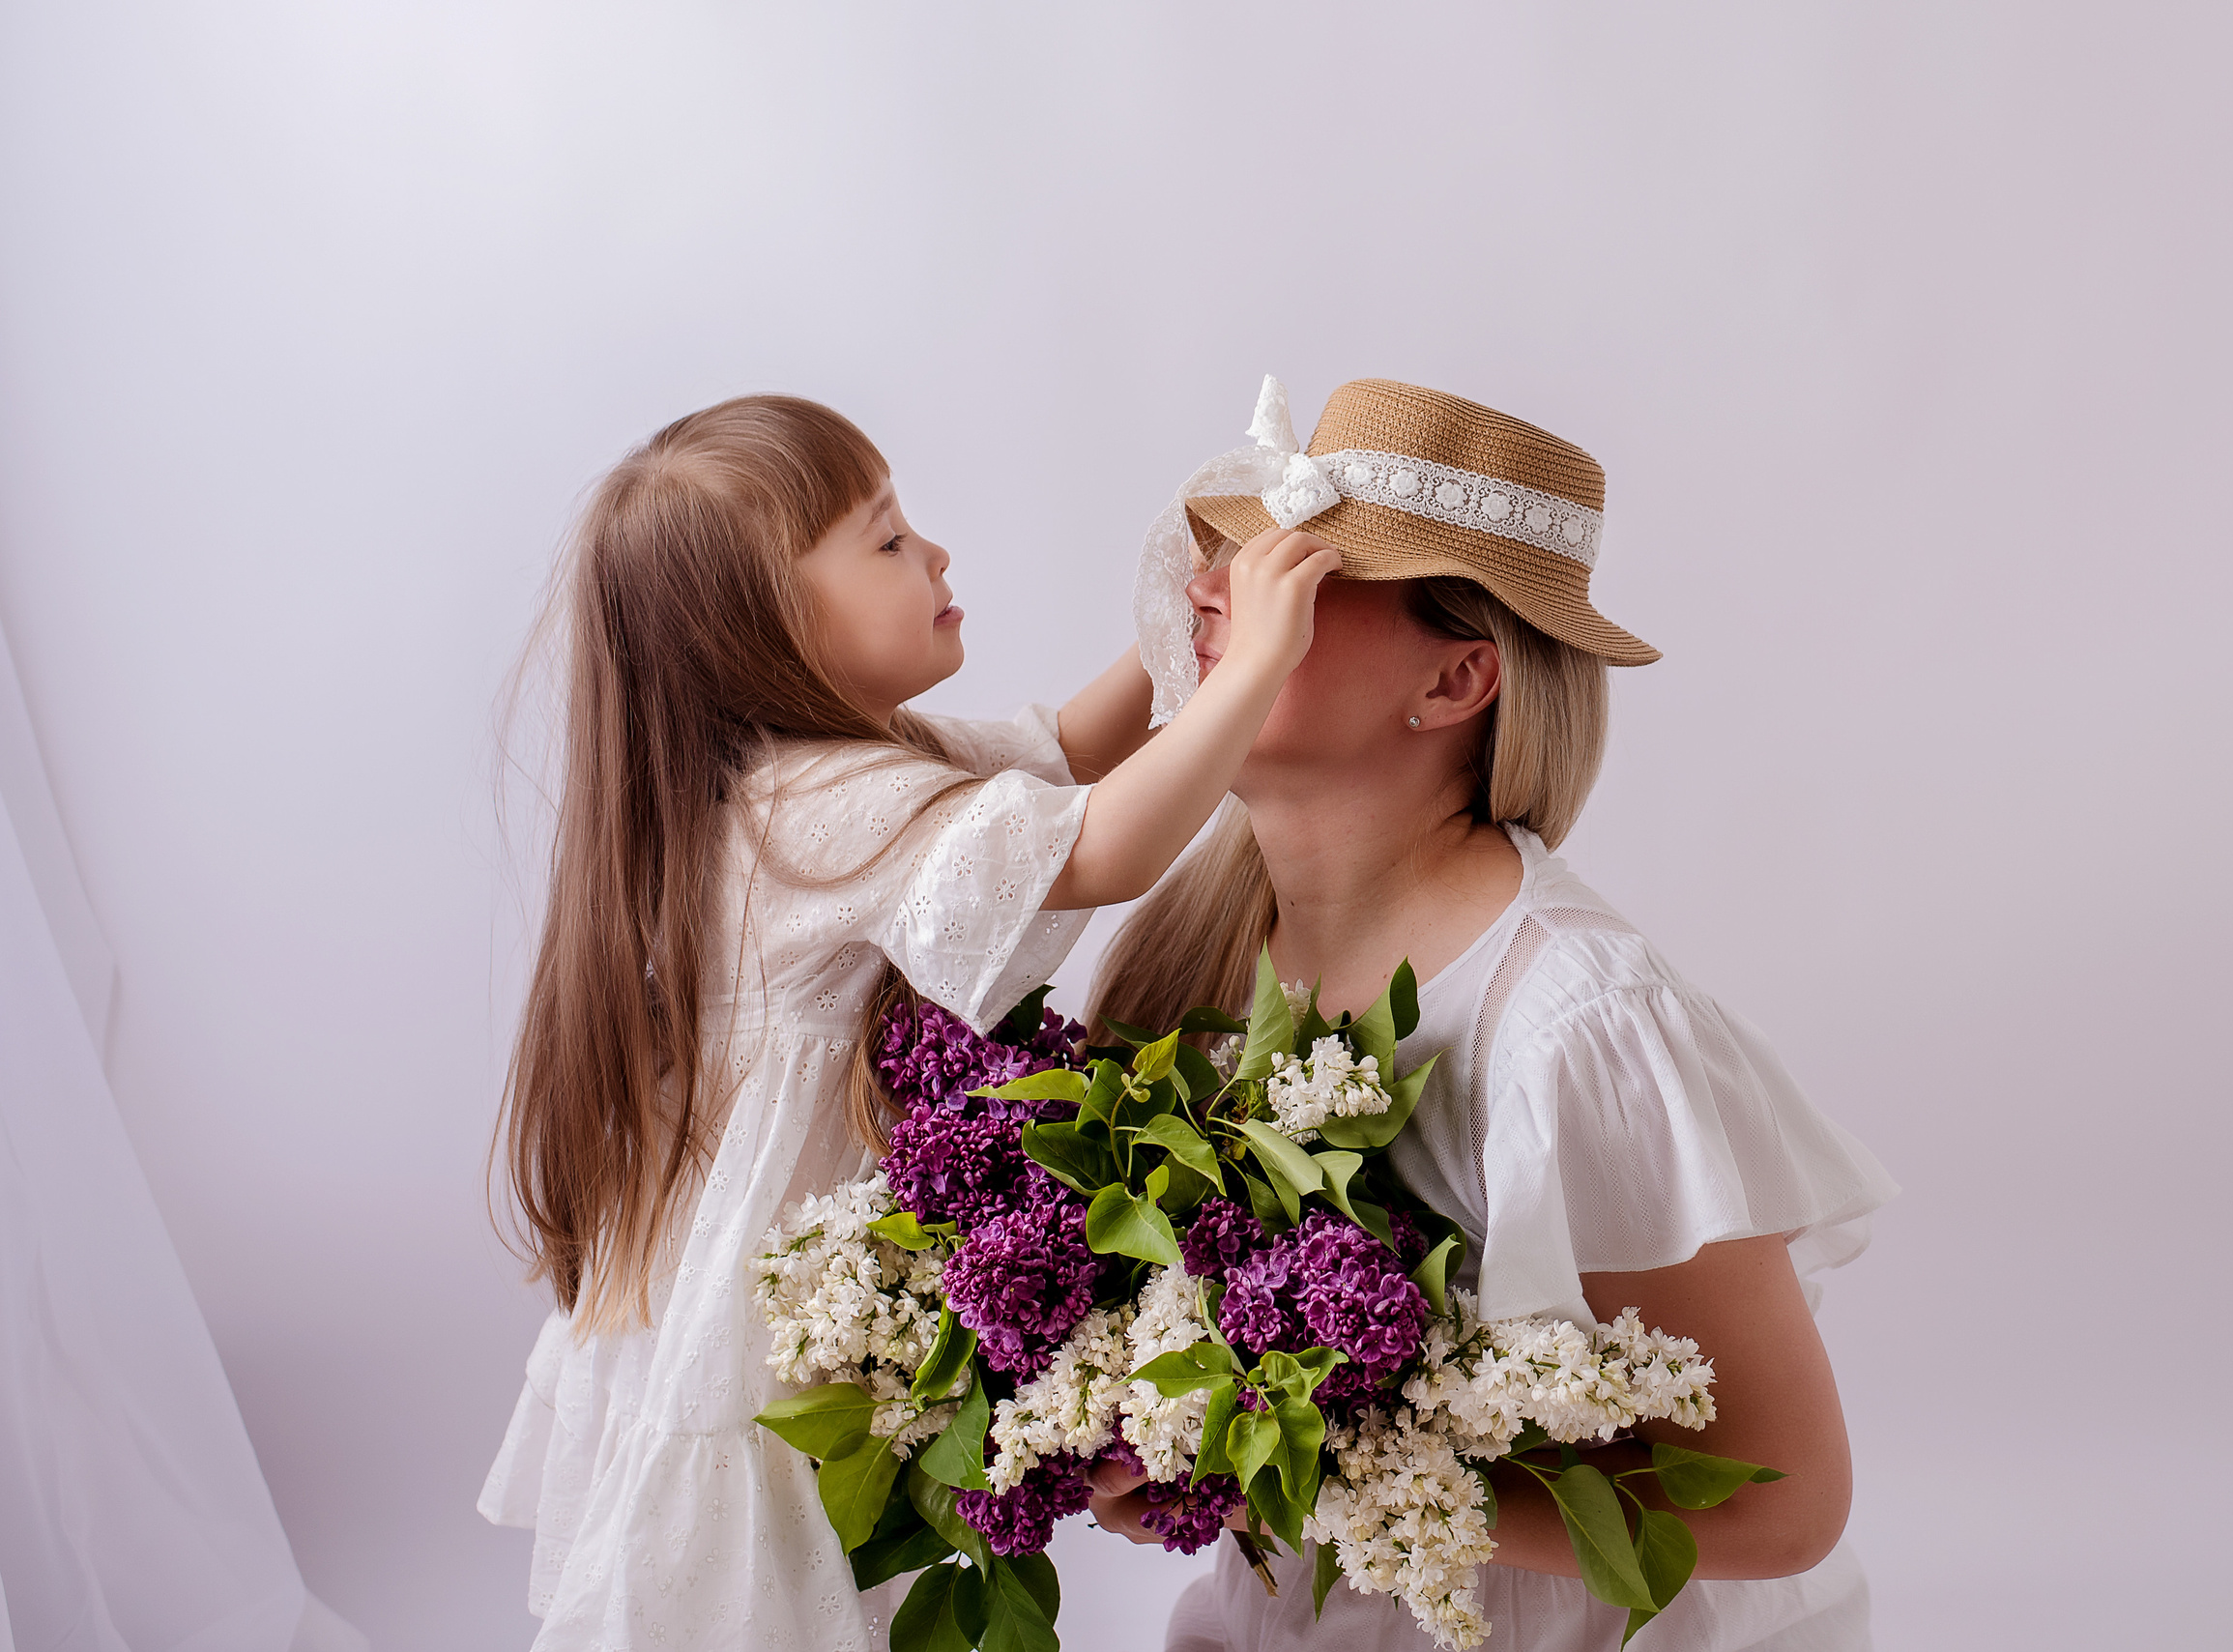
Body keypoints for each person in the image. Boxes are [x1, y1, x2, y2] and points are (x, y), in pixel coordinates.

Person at [476, 393, 1340, 1650]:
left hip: (771, 1260)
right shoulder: (814, 806)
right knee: (762, 1587)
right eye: (885, 541)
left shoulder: (840, 758)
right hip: (768, 1303)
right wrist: (1257, 664)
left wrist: (1192, 611)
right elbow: (1103, 845)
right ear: (764, 626)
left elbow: (1067, 752)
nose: (932, 553)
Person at [1086, 379, 1898, 1651]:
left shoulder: (1580, 1029)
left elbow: (1783, 1503)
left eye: (1302, 570)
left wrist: (1311, 1470)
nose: (1212, 591)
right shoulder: (1191, 955)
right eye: (1235, 558)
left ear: (1459, 677)